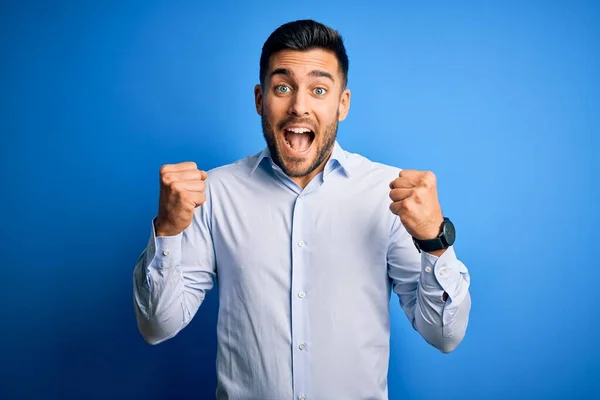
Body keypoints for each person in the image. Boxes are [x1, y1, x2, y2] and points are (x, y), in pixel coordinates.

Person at [133, 19, 471, 400]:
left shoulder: (388, 194)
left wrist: (434, 240)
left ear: (341, 104)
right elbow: (156, 326)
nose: (299, 106)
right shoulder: (214, 193)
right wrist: (168, 230)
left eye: (319, 89)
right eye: (283, 87)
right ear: (260, 99)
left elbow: (445, 335)